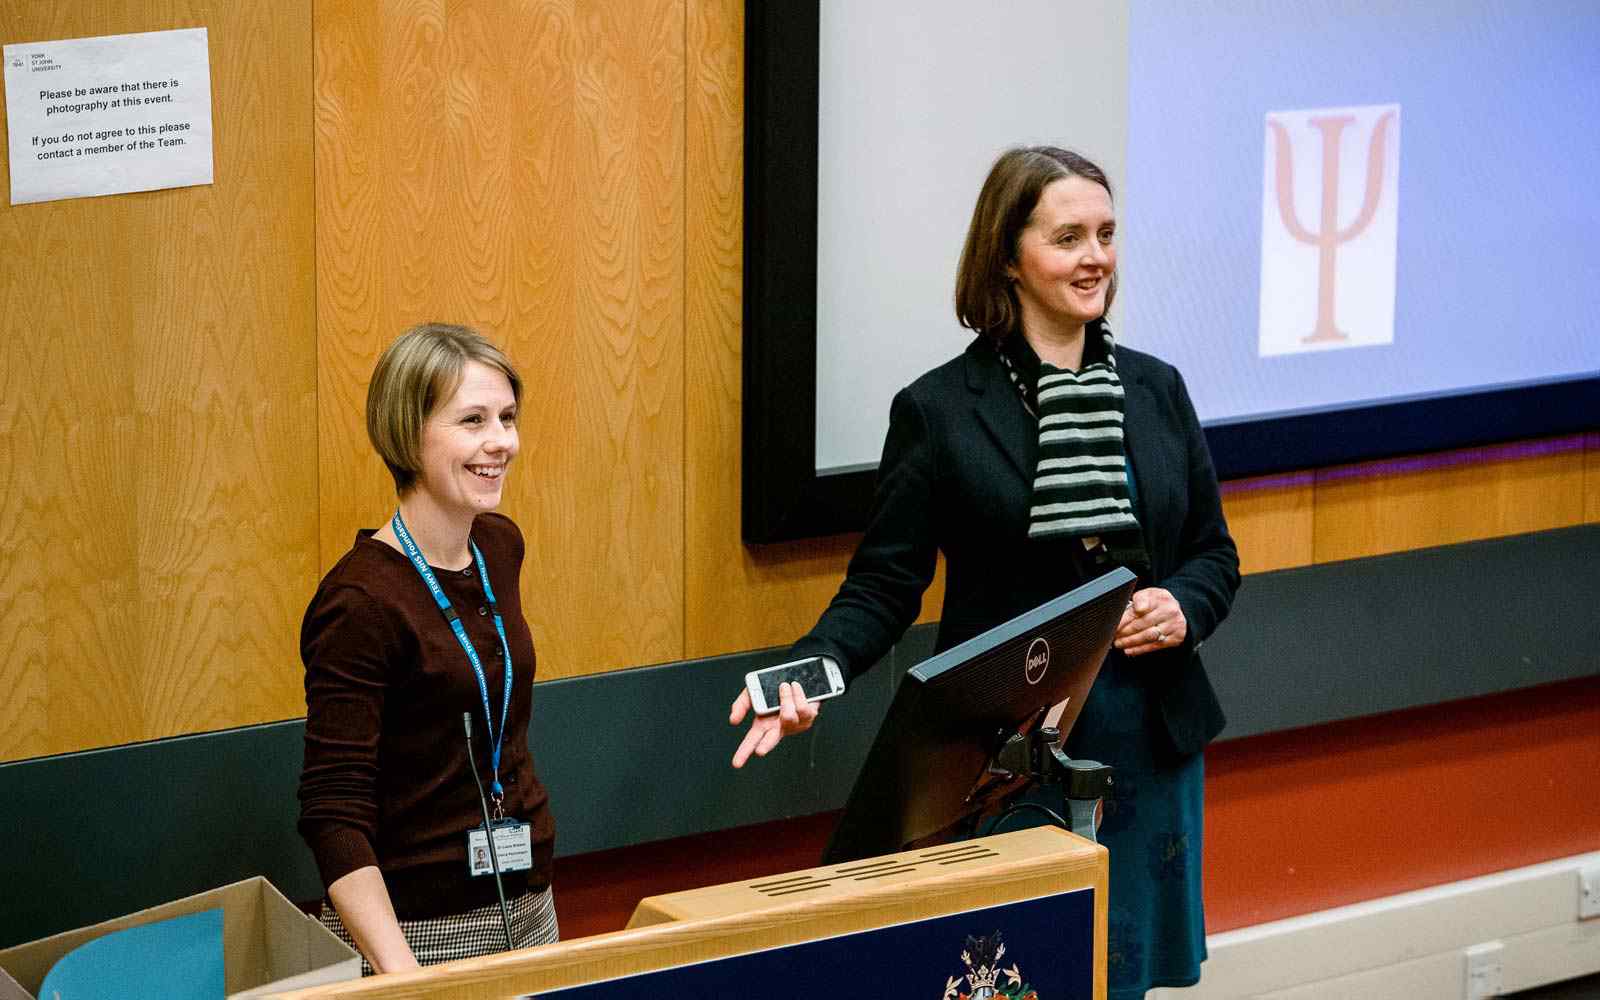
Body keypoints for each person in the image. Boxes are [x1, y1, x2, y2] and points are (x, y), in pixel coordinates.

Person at [728, 147, 1239, 999]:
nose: (1095, 258)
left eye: (1107, 235)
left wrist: (1184, 603)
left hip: (1149, 740)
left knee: (1122, 977)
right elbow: (886, 585)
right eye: (1068, 237)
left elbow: (1214, 554)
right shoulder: (937, 411)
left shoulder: (1158, 390)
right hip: (1010, 757)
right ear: (1008, 256)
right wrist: (811, 671)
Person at [298, 323, 558, 974]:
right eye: (472, 421)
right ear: (409, 434)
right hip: (418, 931)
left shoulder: (499, 546)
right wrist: (401, 974)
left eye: (507, 417)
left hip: (528, 902)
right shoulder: (360, 601)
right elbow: (334, 813)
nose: (501, 442)